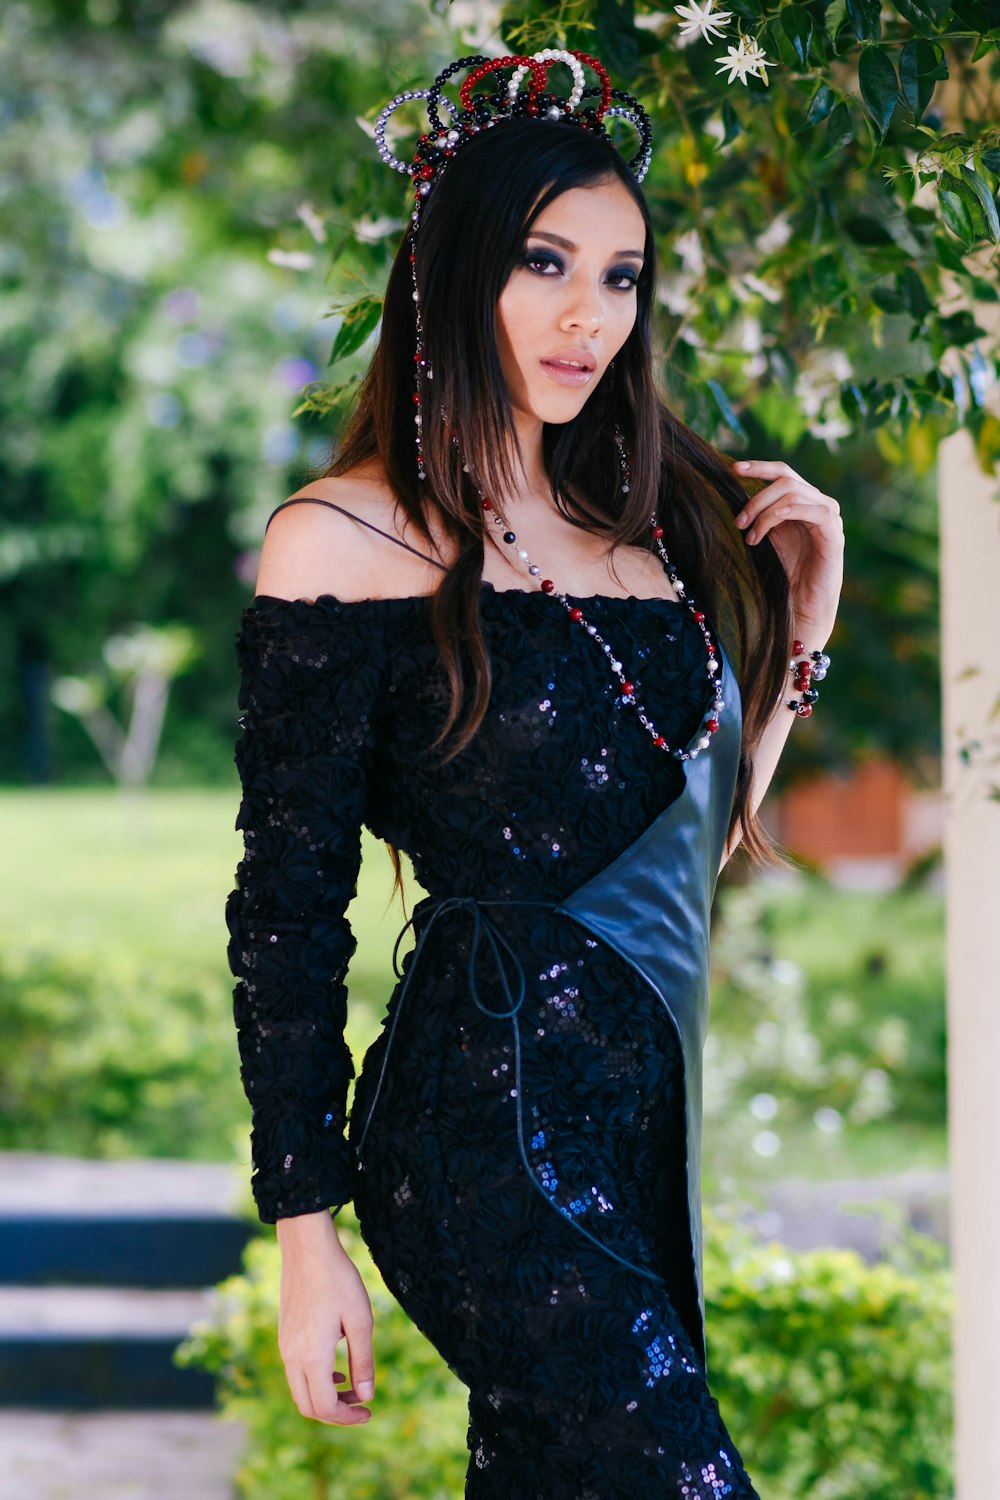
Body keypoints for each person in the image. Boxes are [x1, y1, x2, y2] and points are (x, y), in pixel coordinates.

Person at [225, 46, 843, 1499]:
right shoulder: (344, 540)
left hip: (635, 1123)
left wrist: (804, 627)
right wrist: (305, 1238)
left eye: (623, 277)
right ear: (453, 272)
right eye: (545, 262)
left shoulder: (642, 543)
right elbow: (287, 912)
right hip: (475, 1130)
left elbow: (688, 851)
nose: (589, 315)